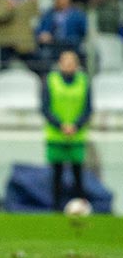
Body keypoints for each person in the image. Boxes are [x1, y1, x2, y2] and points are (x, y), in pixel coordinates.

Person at [41, 50, 92, 211]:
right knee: (57, 175)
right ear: (60, 63)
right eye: (65, 61)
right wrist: (60, 125)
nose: (69, 64)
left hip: (77, 136)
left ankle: (80, 208)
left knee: (78, 175)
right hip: (56, 135)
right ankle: (56, 209)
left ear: (77, 64)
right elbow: (45, 107)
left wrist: (75, 125)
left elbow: (88, 108)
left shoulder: (84, 81)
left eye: (72, 61)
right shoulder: (51, 80)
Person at [34, 0, 87, 78]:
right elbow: (40, 31)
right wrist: (43, 35)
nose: (61, 1)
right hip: (53, 45)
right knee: (43, 55)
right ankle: (45, 81)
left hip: (71, 45)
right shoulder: (48, 14)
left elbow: (83, 31)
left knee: (84, 55)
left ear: (69, 0)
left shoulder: (78, 15)